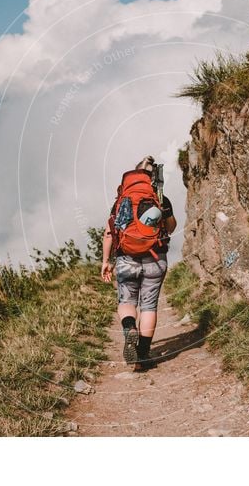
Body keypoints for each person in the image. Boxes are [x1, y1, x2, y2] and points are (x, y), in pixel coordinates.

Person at [101, 155, 177, 371]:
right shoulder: (161, 198)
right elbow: (170, 228)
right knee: (149, 307)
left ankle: (129, 328)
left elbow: (109, 232)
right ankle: (142, 355)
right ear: (153, 178)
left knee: (127, 302)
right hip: (155, 257)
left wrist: (107, 261)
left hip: (126, 258)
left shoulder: (121, 200)